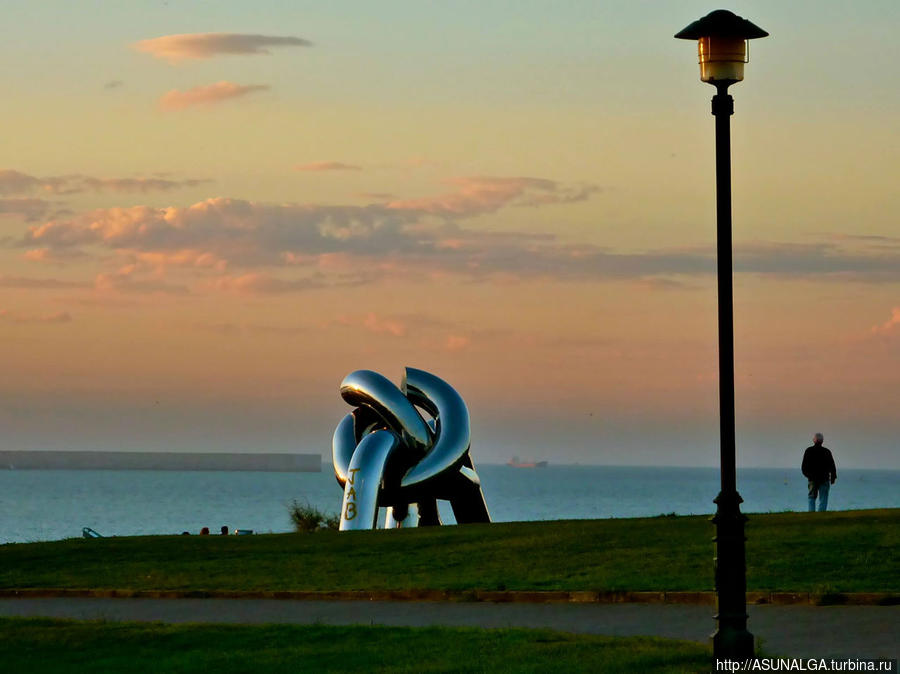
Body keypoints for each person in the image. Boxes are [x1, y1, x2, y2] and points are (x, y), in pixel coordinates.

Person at [801, 433, 837, 512]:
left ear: (814, 440)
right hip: (824, 478)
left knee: (811, 497)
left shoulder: (809, 451)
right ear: (822, 441)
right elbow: (832, 465)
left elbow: (804, 467)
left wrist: (808, 475)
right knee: (823, 498)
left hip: (812, 479)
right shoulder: (827, 451)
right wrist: (833, 477)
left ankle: (811, 513)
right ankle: (821, 513)